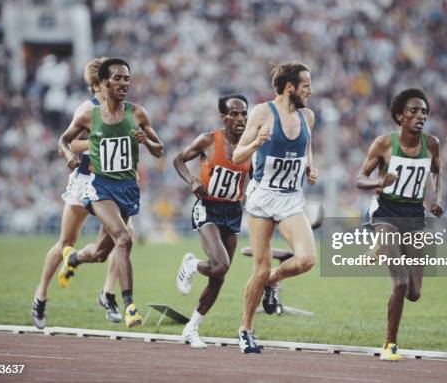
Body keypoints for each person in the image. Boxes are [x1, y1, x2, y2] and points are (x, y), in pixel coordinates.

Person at [56, 58, 163, 328]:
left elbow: (160, 149)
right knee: (124, 239)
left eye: (127, 78)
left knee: (101, 253)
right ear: (104, 83)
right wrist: (69, 156)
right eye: (117, 78)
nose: (124, 83)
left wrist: (147, 141)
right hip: (101, 188)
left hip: (127, 189)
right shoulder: (88, 116)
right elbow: (64, 140)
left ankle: (74, 257)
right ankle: (129, 306)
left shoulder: (138, 113)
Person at [31, 57, 126, 329]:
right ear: (98, 85)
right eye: (111, 80)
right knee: (65, 241)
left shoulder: (121, 109)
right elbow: (70, 142)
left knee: (119, 240)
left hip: (111, 182)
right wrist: (97, 140)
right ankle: (41, 295)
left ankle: (107, 293)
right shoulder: (88, 108)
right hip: (86, 180)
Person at [232, 61, 318, 354]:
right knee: (260, 267)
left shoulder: (308, 116)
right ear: (290, 87)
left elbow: (306, 146)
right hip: (263, 197)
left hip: (291, 198)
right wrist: (256, 142)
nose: (311, 91)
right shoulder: (262, 112)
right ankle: (245, 329)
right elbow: (237, 155)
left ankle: (273, 281)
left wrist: (309, 165)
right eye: (306, 86)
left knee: (307, 259)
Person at [356, 88, 443, 361]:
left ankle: (381, 249)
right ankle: (389, 345)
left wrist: (436, 200)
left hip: (415, 218)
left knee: (415, 293)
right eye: (414, 111)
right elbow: (360, 179)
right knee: (401, 284)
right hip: (387, 215)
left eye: (425, 112)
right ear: (399, 116)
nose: (421, 116)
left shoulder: (432, 144)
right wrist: (379, 182)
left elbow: (437, 173)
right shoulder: (384, 143)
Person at [173, 94, 251, 349]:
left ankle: (191, 328)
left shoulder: (250, 144)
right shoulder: (209, 140)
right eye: (235, 114)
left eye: (243, 113)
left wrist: (247, 195)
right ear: (224, 117)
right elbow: (178, 160)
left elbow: (249, 174)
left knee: (220, 275)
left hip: (232, 210)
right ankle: (193, 265)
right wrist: (192, 181)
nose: (240, 119)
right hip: (207, 208)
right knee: (220, 265)